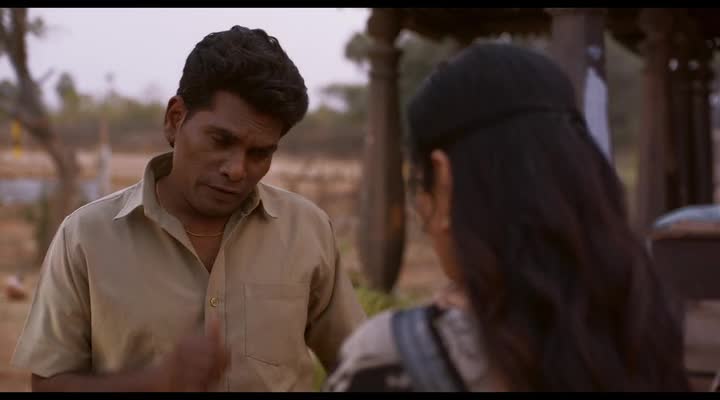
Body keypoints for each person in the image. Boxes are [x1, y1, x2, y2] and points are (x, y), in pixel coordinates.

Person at [12, 25, 366, 392]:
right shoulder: (86, 236)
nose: (236, 169)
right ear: (175, 119)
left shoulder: (307, 230)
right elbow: (48, 385)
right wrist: (157, 383)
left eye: (260, 153)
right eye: (221, 140)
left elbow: (359, 365)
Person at [325, 43, 690, 392]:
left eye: (420, 186)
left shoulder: (390, 357)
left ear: (444, 180)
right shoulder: (650, 330)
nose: (420, 209)